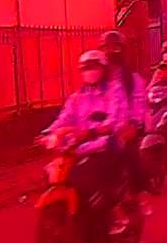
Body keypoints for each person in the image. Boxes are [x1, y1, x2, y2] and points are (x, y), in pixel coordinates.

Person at [43, 49, 127, 232]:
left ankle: (114, 215)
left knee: (93, 178)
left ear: (103, 69)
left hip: (106, 145)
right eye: (85, 68)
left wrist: (92, 132)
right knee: (56, 174)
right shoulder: (77, 97)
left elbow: (115, 120)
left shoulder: (114, 91)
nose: (90, 71)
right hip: (78, 148)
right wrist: (48, 133)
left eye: (93, 67)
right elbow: (64, 118)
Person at [100, 31, 151, 210]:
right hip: (101, 127)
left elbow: (138, 103)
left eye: (114, 47)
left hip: (126, 126)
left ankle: (137, 192)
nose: (110, 51)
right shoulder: (99, 77)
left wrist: (134, 123)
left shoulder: (132, 79)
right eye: (106, 48)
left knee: (128, 154)